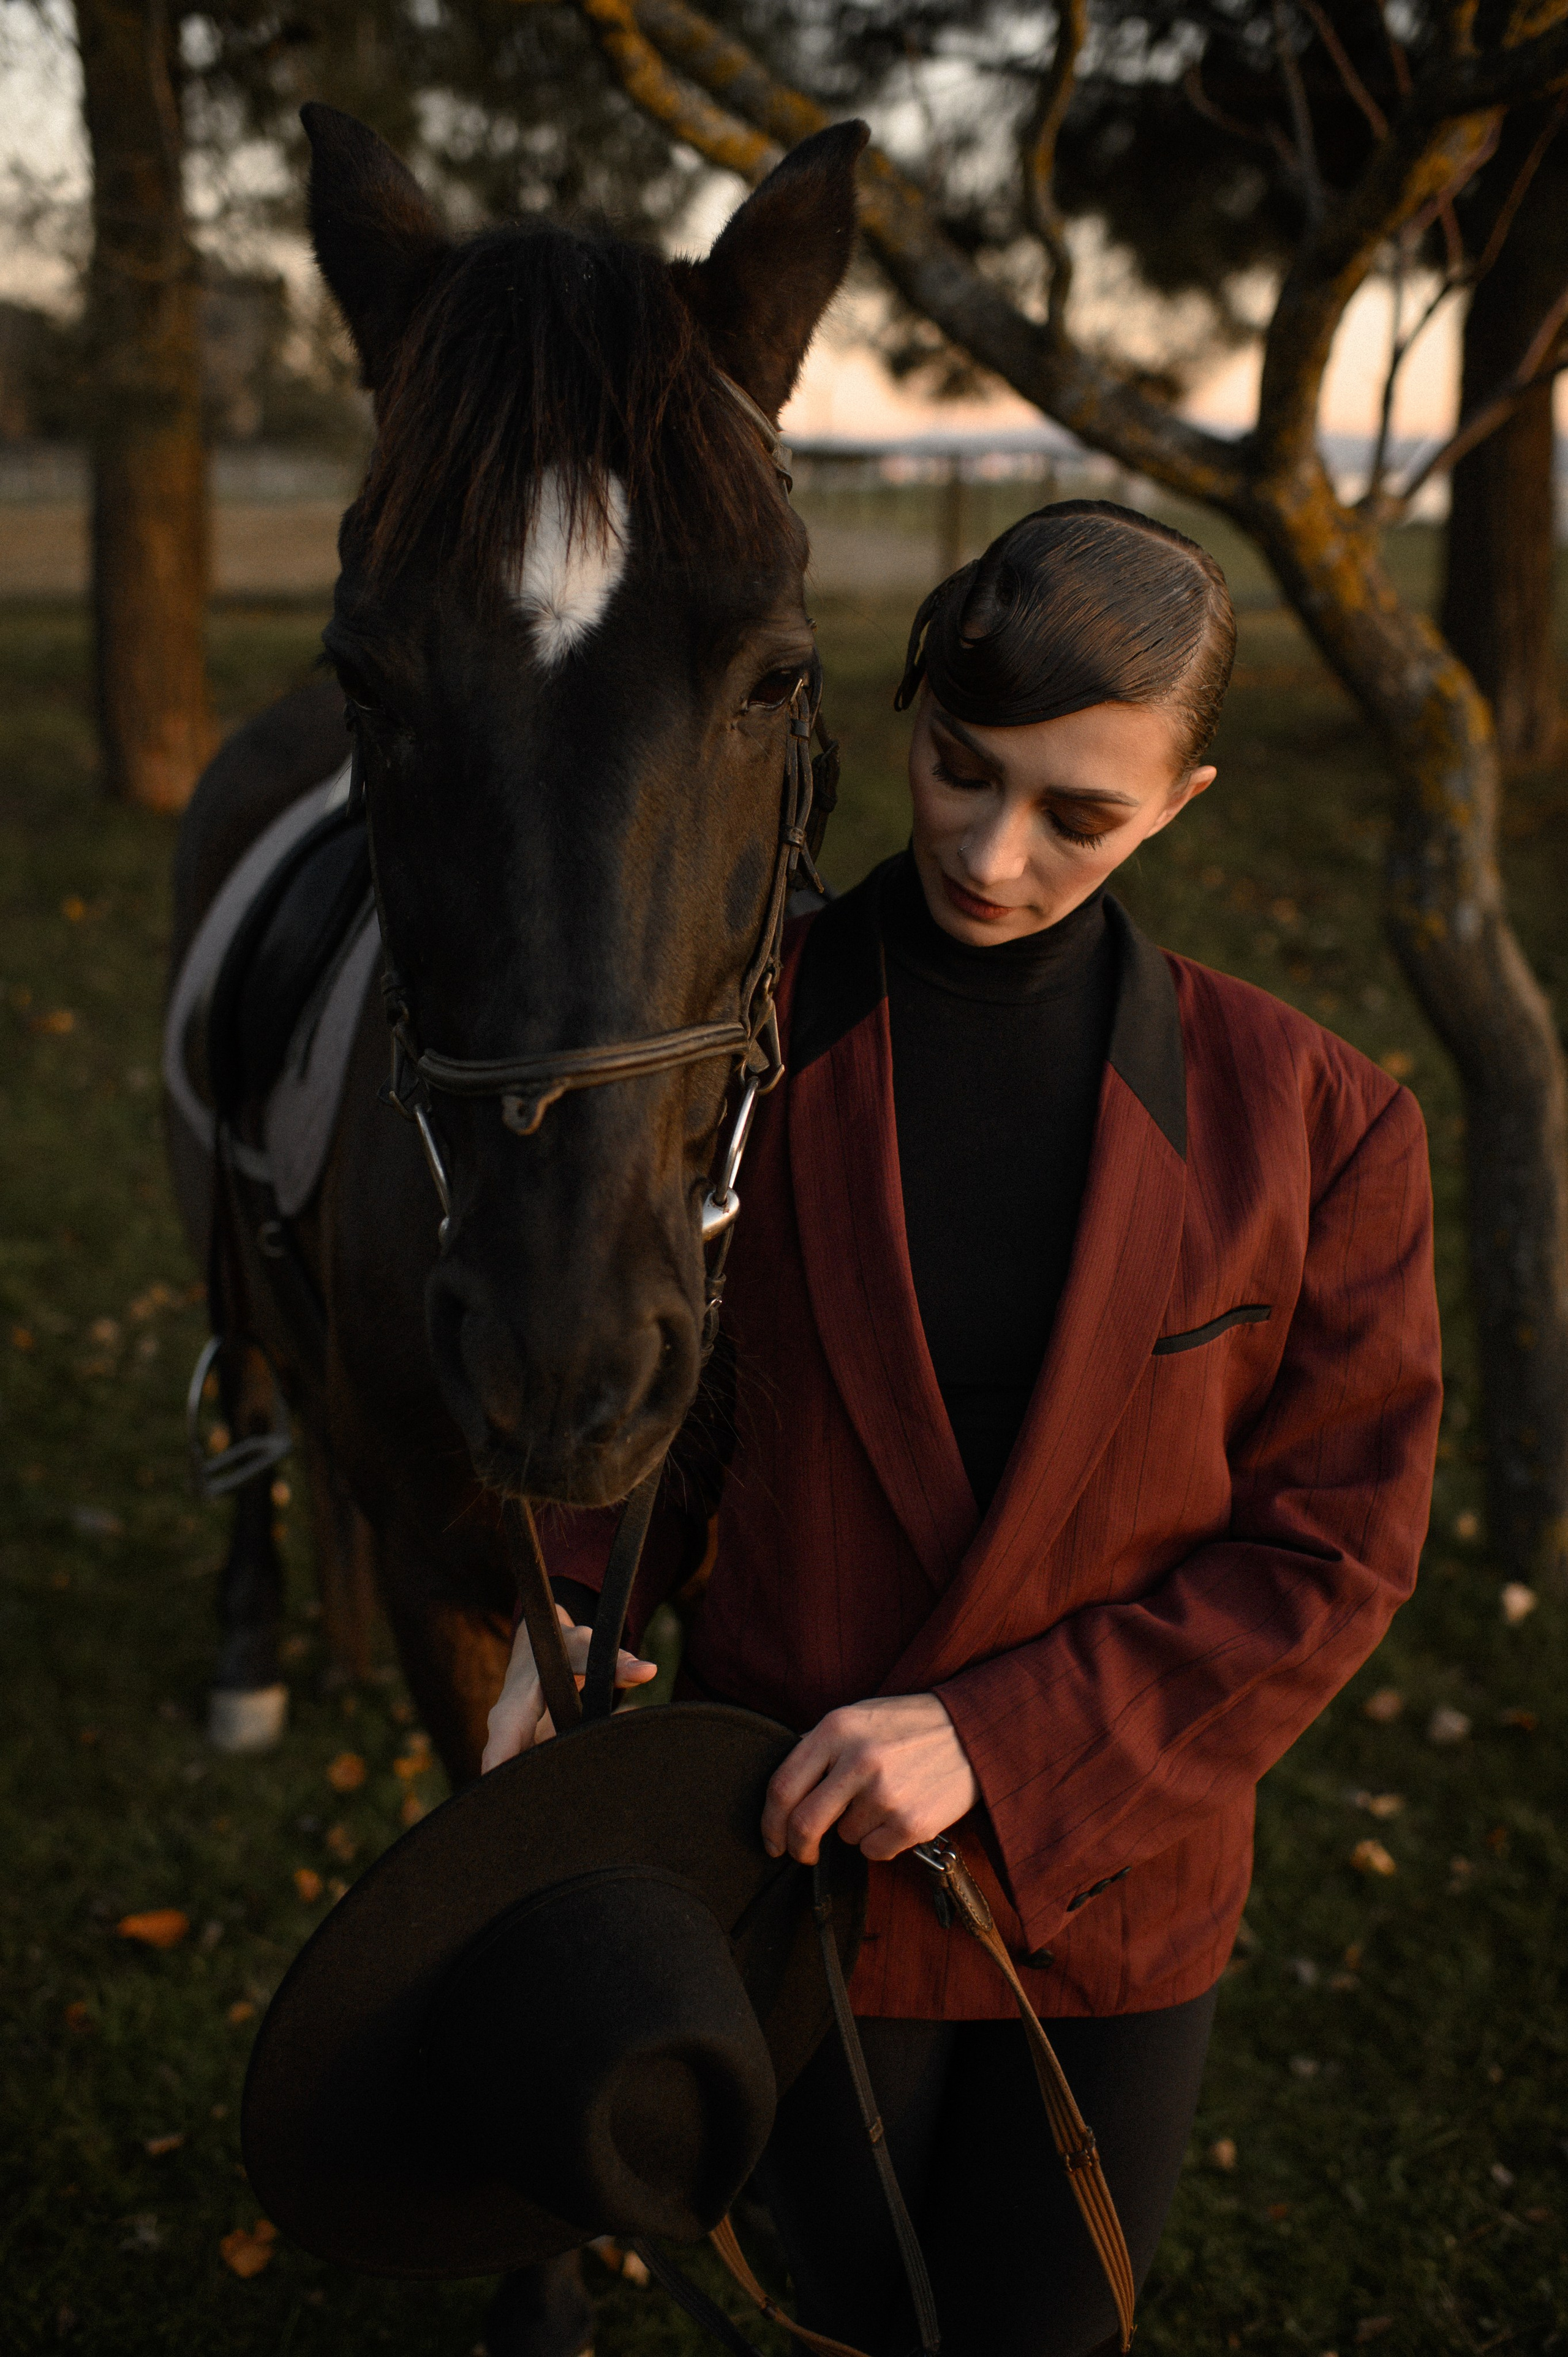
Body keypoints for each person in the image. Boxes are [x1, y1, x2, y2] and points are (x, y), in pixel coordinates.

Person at [481, 501, 1443, 2357]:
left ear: (1187, 797)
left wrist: (998, 1741)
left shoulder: (1327, 1124)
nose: (993, 856)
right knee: (842, 2319)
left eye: (1081, 814)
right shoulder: (727, 1047)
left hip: (1121, 1882)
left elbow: (1335, 1556)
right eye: (958, 772)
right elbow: (662, 1377)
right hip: (788, 1856)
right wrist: (586, 1593)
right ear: (908, 716)